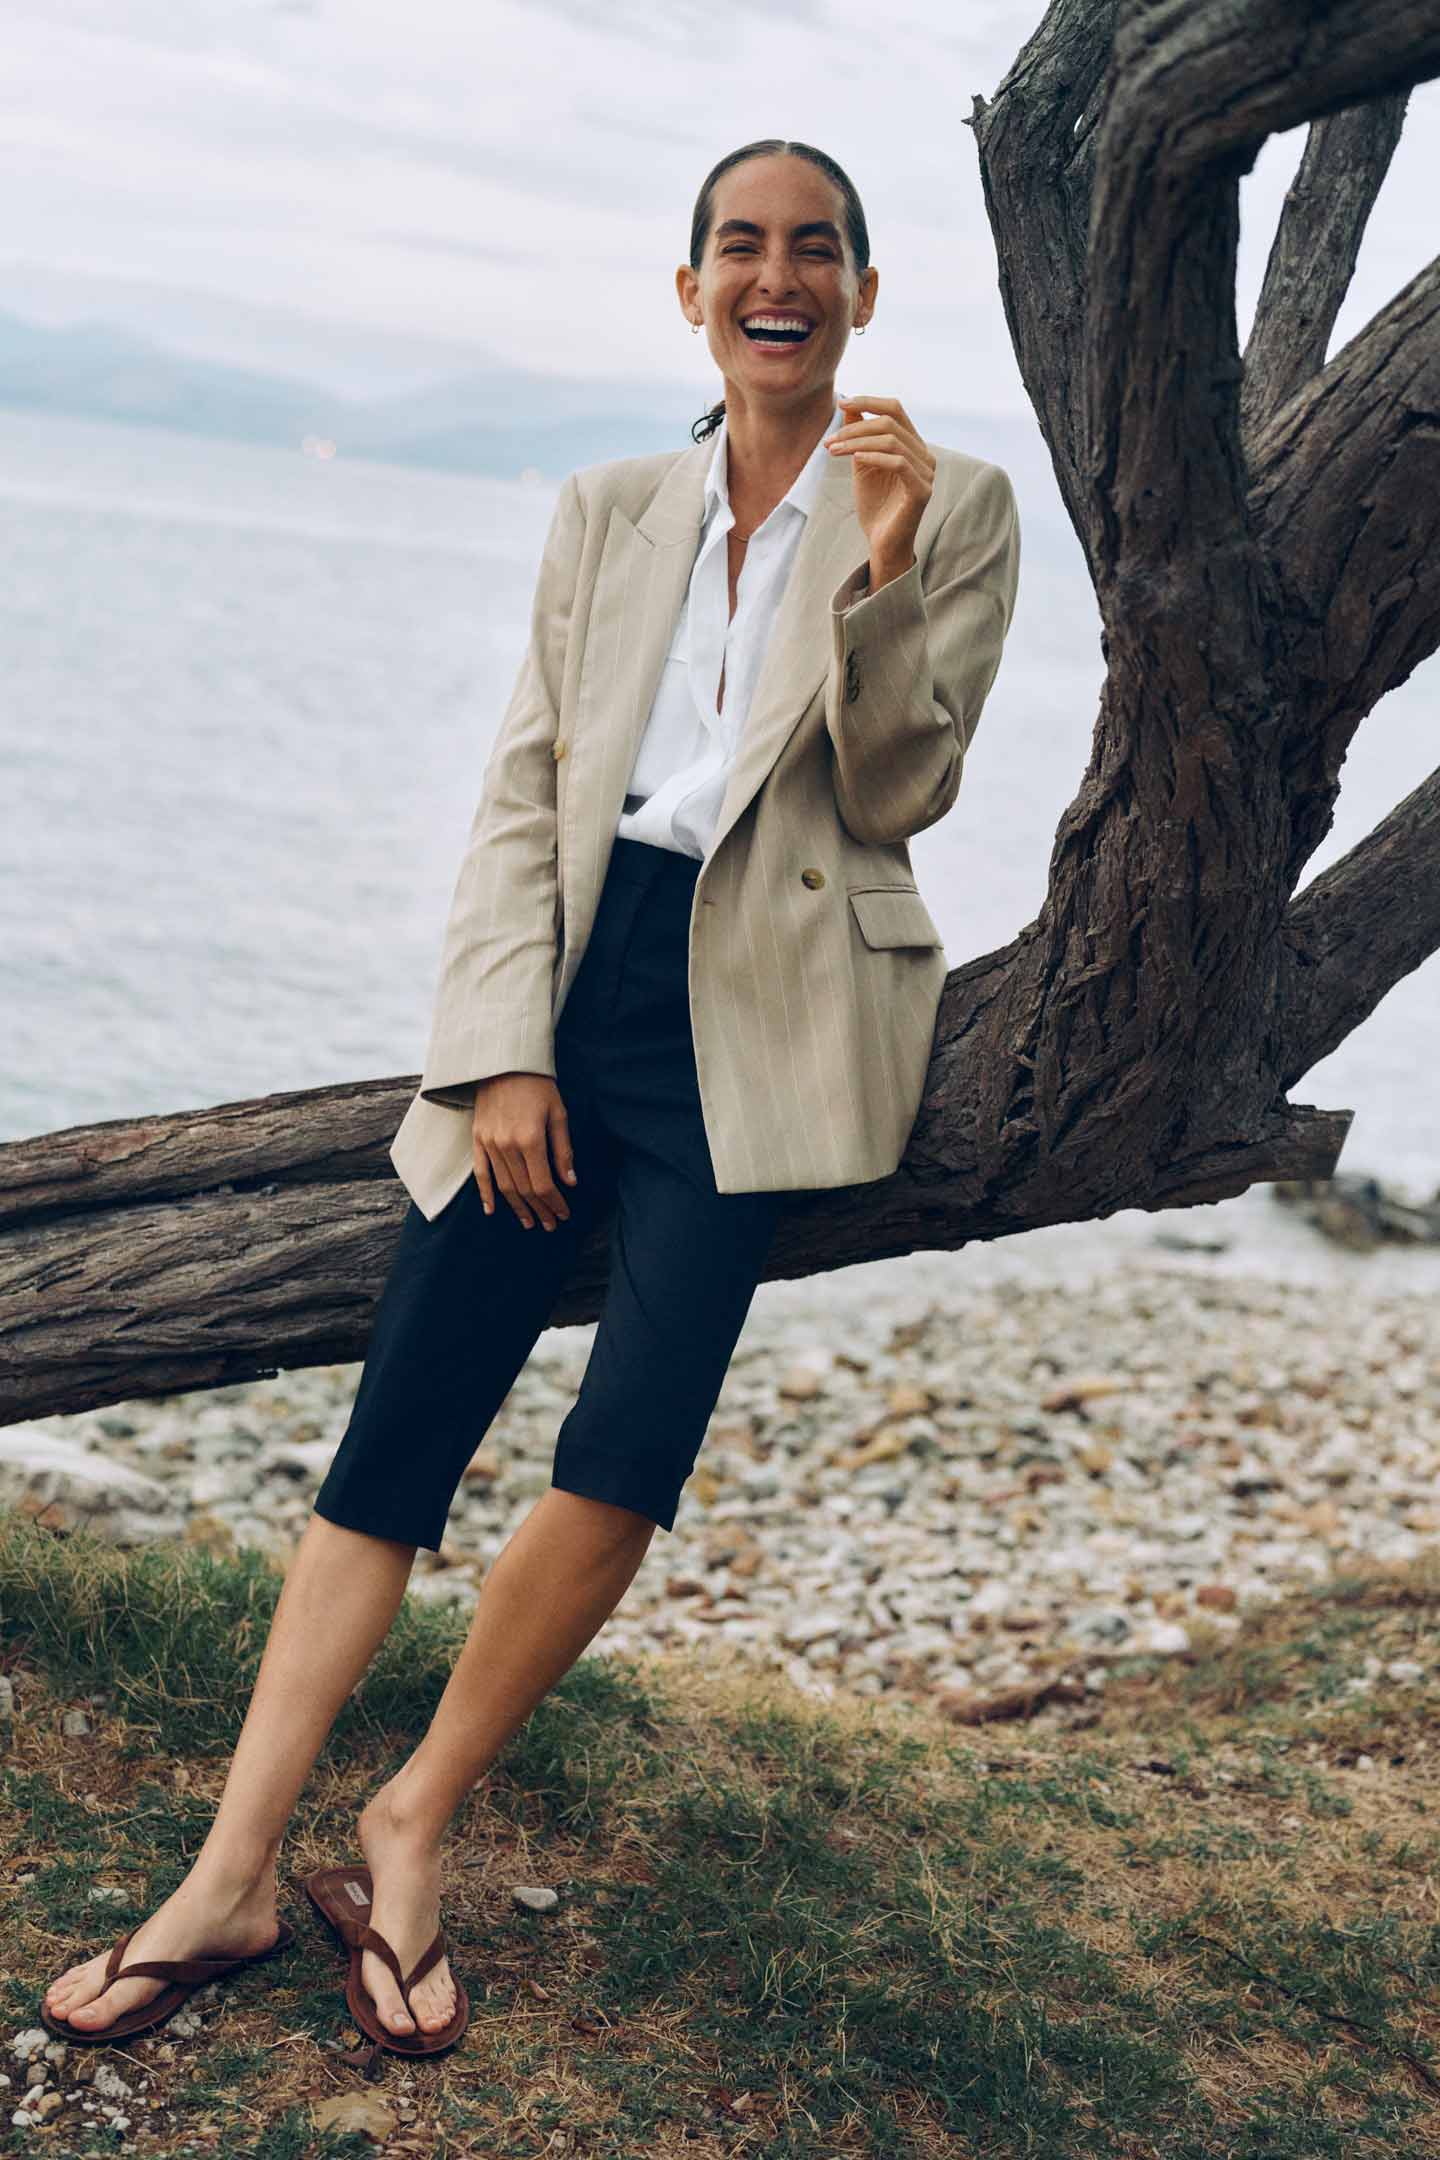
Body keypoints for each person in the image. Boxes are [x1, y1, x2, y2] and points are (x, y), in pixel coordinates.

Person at [40, 136, 1021, 2057]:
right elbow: (524, 788)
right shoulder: (609, 506)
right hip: (573, 990)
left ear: (864, 294)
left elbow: (902, 789)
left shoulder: (955, 501)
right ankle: (234, 1871)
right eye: (742, 246)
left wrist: (886, 574)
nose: (779, 276)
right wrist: (500, 1048)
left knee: (630, 1438)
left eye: (816, 249)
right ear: (690, 294)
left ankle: (411, 1818)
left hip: (766, 1016)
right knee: (405, 1417)